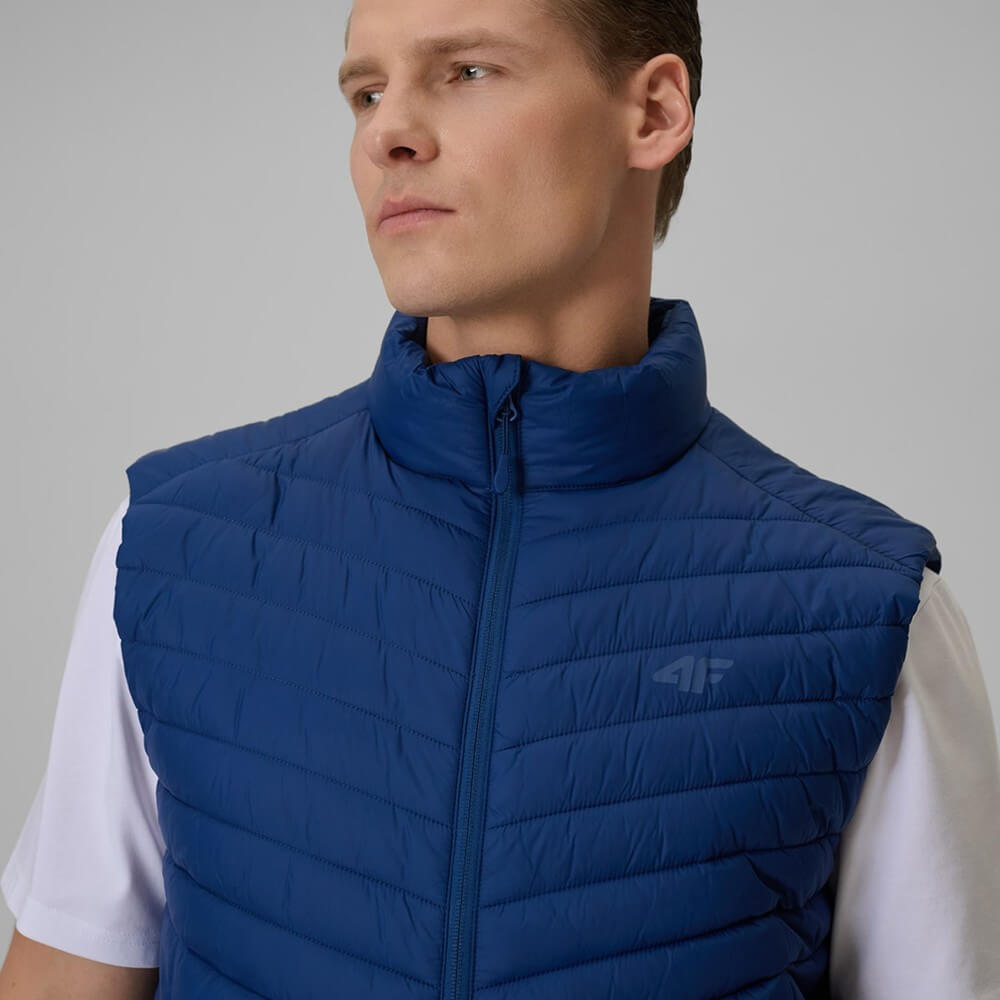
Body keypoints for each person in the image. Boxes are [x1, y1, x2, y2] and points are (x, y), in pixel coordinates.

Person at [3, 0, 999, 997]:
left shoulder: (862, 610)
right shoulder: (174, 551)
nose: (389, 133)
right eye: (367, 92)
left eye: (467, 71)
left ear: (654, 112)